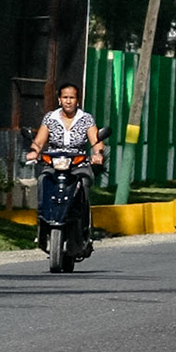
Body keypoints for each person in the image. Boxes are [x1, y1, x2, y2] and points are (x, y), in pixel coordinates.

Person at [26, 83, 106, 243]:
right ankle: (43, 223)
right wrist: (34, 151)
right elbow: (39, 141)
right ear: (59, 99)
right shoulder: (50, 118)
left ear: (77, 100)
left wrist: (98, 153)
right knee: (43, 180)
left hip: (78, 164)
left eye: (72, 97)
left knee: (82, 183)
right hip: (54, 164)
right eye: (65, 97)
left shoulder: (86, 119)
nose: (68, 101)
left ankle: (85, 226)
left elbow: (96, 140)